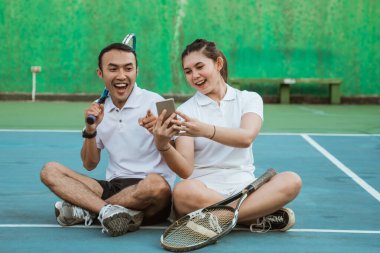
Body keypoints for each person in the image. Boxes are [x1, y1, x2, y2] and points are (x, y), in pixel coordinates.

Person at [146, 39, 302, 232]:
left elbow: (246, 138)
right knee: (182, 191)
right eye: (188, 71)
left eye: (199, 67)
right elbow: (185, 170)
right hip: (203, 190)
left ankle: (218, 217)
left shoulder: (249, 99)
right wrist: (163, 144)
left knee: (291, 180)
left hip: (246, 188)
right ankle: (256, 216)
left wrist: (204, 130)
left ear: (218, 64)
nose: (195, 75)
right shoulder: (186, 110)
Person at [40, 43, 176, 237]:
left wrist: (161, 135)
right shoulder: (98, 108)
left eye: (128, 68)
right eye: (113, 69)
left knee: (156, 184)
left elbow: (181, 160)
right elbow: (89, 164)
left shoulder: (159, 103)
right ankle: (109, 211)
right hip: (113, 187)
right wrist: (90, 130)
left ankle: (90, 209)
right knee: (50, 170)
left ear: (137, 71)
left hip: (151, 193)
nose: (121, 75)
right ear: (100, 73)